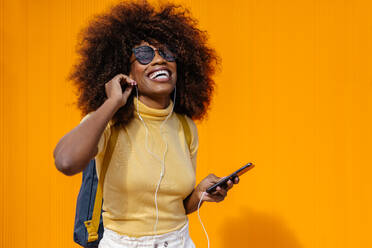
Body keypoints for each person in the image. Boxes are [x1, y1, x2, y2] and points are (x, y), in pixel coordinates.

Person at [53, 1, 239, 247]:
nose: (159, 60)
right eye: (144, 55)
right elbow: (65, 162)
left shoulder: (185, 127)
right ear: (125, 71)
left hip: (178, 241)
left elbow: (177, 208)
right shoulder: (110, 122)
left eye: (167, 53)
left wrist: (201, 193)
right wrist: (111, 103)